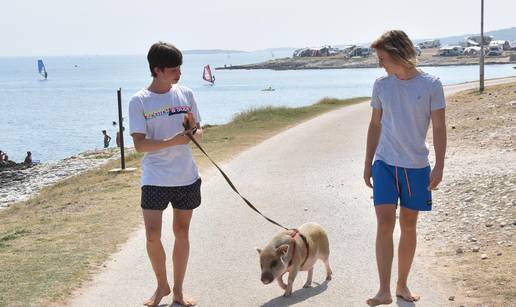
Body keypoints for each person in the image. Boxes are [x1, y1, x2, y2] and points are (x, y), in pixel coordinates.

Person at [363, 30, 447, 306]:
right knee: (384, 222)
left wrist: (439, 165)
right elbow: (375, 125)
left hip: (416, 167)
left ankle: (402, 285)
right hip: (385, 163)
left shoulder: (431, 85)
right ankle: (383, 290)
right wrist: (368, 163)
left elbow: (439, 128)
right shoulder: (381, 86)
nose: (380, 64)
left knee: (408, 224)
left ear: (398, 54)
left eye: (383, 58)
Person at [129, 42, 203, 307]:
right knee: (152, 235)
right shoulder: (139, 101)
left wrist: (193, 133)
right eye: (173, 69)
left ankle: (179, 292)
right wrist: (173, 140)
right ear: (157, 70)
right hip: (155, 177)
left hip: (186, 175)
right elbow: (139, 145)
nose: (179, 74)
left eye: (179, 67)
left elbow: (199, 132)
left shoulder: (187, 94)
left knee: (181, 232)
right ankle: (162, 285)